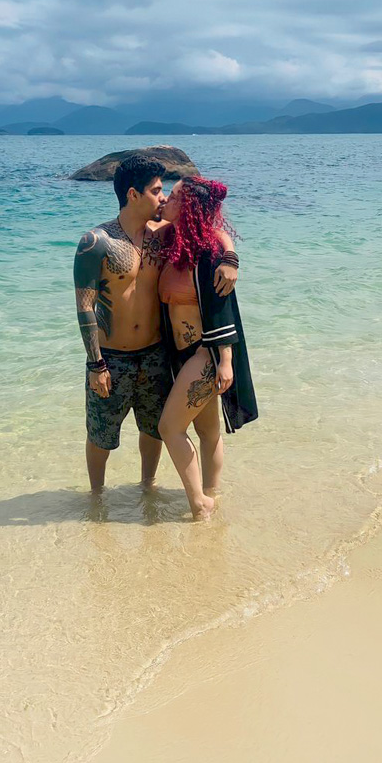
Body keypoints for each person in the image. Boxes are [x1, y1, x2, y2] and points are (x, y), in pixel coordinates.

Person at [73, 154, 238, 492]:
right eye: (157, 190)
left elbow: (210, 228)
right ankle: (96, 497)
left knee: (153, 430)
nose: (163, 198)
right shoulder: (96, 242)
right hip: (111, 357)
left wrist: (230, 257)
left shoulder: (163, 235)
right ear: (133, 194)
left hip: (156, 354)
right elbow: (85, 307)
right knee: (101, 435)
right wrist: (96, 364)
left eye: (164, 191)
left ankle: (147, 488)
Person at [157, 177, 258, 519]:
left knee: (169, 428)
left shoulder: (209, 253)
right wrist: (231, 249)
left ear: (187, 207)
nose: (164, 202)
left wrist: (225, 360)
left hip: (204, 355)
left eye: (171, 197)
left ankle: (200, 503)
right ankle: (214, 497)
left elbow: (221, 307)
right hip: (182, 354)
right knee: (207, 430)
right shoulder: (176, 242)